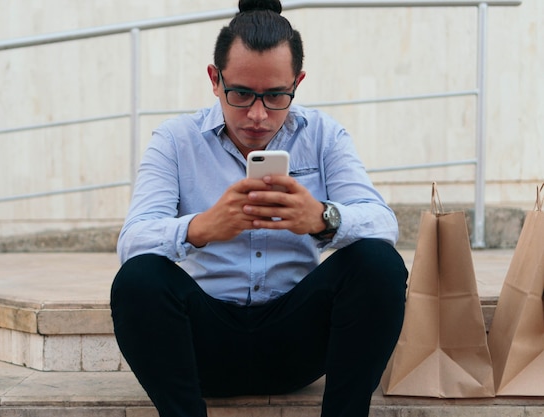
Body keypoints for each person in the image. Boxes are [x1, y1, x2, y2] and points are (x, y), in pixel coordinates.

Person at [110, 0, 408, 416]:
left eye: (275, 96)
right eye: (241, 93)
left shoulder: (324, 135)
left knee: (379, 263)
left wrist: (322, 219)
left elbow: (383, 223)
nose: (257, 115)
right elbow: (133, 240)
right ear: (215, 80)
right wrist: (201, 227)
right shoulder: (176, 140)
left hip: (298, 341)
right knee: (138, 279)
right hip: (204, 343)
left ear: (297, 83)